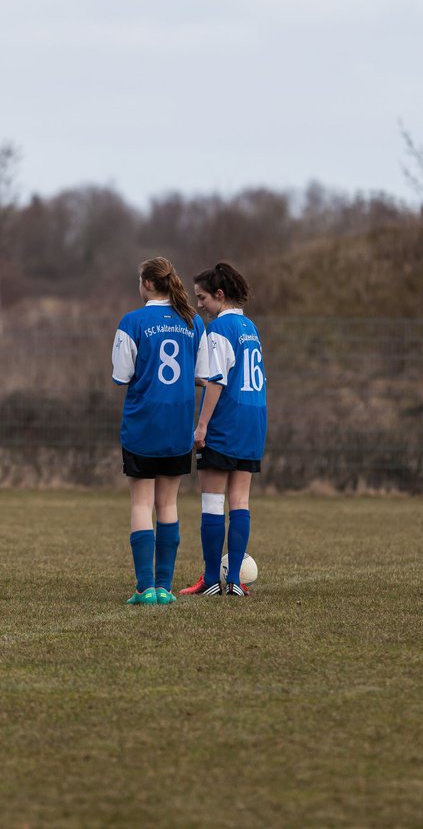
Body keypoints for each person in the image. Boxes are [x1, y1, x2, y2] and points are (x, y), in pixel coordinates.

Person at [112, 257, 208, 605]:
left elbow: (122, 376)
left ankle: (145, 588)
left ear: (149, 284)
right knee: (168, 503)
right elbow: (202, 375)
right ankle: (165, 588)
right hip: (179, 425)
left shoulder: (132, 321)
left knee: (141, 503)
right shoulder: (193, 321)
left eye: (140, 281)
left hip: (143, 424)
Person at [179, 262, 267, 598]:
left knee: (213, 502)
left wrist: (201, 426)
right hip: (253, 420)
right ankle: (235, 584)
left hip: (226, 422)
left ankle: (212, 578)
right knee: (240, 501)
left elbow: (216, 382)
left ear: (219, 294)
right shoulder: (249, 327)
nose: (198, 303)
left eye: (202, 297)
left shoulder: (218, 330)